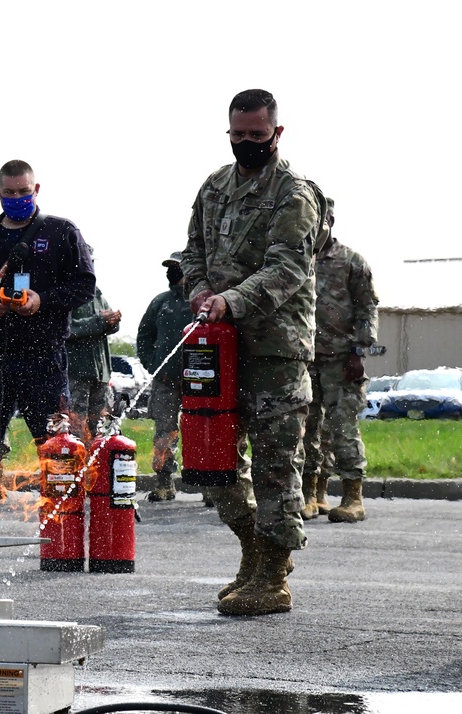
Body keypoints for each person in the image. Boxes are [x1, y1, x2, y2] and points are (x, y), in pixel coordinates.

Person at [182, 89, 327, 616]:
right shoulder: (214, 186)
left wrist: (232, 300)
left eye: (256, 136)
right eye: (237, 135)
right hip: (217, 347)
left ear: (276, 133)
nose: (246, 144)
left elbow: (288, 268)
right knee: (214, 461)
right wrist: (197, 291)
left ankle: (273, 576)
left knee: (274, 465)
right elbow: (192, 251)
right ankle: (251, 552)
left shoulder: (296, 194)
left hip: (274, 351)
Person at [0, 159, 95, 533]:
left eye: (23, 192)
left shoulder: (62, 232)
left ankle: (64, 523)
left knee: (54, 442)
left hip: (43, 356)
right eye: (9, 193)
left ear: (36, 190)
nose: (16, 198)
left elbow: (84, 285)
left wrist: (41, 300)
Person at [300, 200, 378, 523]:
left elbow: (367, 308)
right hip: (306, 359)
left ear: (331, 220)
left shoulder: (351, 262)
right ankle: (311, 495)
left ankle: (352, 497)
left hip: (341, 360)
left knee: (342, 428)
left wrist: (359, 351)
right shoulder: (300, 260)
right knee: (306, 430)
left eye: (322, 219)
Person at [136, 251, 194, 502]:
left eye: (177, 268)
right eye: (169, 268)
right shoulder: (161, 302)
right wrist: (153, 365)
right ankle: (164, 484)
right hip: (166, 382)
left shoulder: (202, 301)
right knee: (164, 433)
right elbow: (144, 336)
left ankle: (212, 487)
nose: (172, 273)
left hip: (199, 382)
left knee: (201, 432)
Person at [66, 248, 121, 441]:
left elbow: (107, 325)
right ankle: (75, 468)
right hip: (77, 373)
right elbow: (67, 329)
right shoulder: (66, 293)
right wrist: (99, 321)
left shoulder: (96, 293)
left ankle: (98, 468)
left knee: (100, 428)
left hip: (100, 375)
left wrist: (113, 322)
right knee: (75, 428)